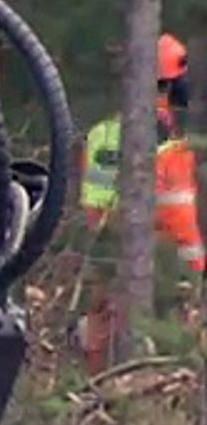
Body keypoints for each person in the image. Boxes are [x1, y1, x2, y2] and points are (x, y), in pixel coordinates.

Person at [75, 33, 204, 373]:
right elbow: (181, 221)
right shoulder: (171, 151)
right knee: (166, 356)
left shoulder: (101, 135)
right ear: (171, 84)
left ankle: (98, 387)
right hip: (161, 266)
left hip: (107, 256)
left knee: (102, 338)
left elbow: (93, 208)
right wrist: (195, 274)